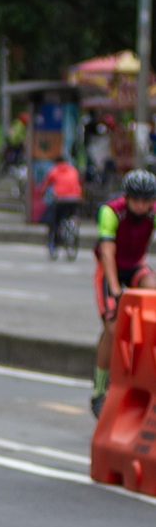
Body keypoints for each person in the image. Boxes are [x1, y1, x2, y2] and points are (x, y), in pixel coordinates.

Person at [91, 170, 156, 415]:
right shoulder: (110, 210)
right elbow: (107, 252)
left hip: (136, 264)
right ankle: (98, 390)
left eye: (146, 200)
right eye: (136, 200)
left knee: (151, 288)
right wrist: (116, 290)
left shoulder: (153, 211)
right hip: (111, 267)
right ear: (127, 198)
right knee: (111, 328)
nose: (141, 206)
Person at [43, 156, 83, 252]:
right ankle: (73, 223)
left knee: (56, 220)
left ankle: (56, 242)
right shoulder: (73, 170)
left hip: (60, 199)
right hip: (75, 198)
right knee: (71, 214)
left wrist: (42, 193)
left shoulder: (54, 170)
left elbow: (45, 185)